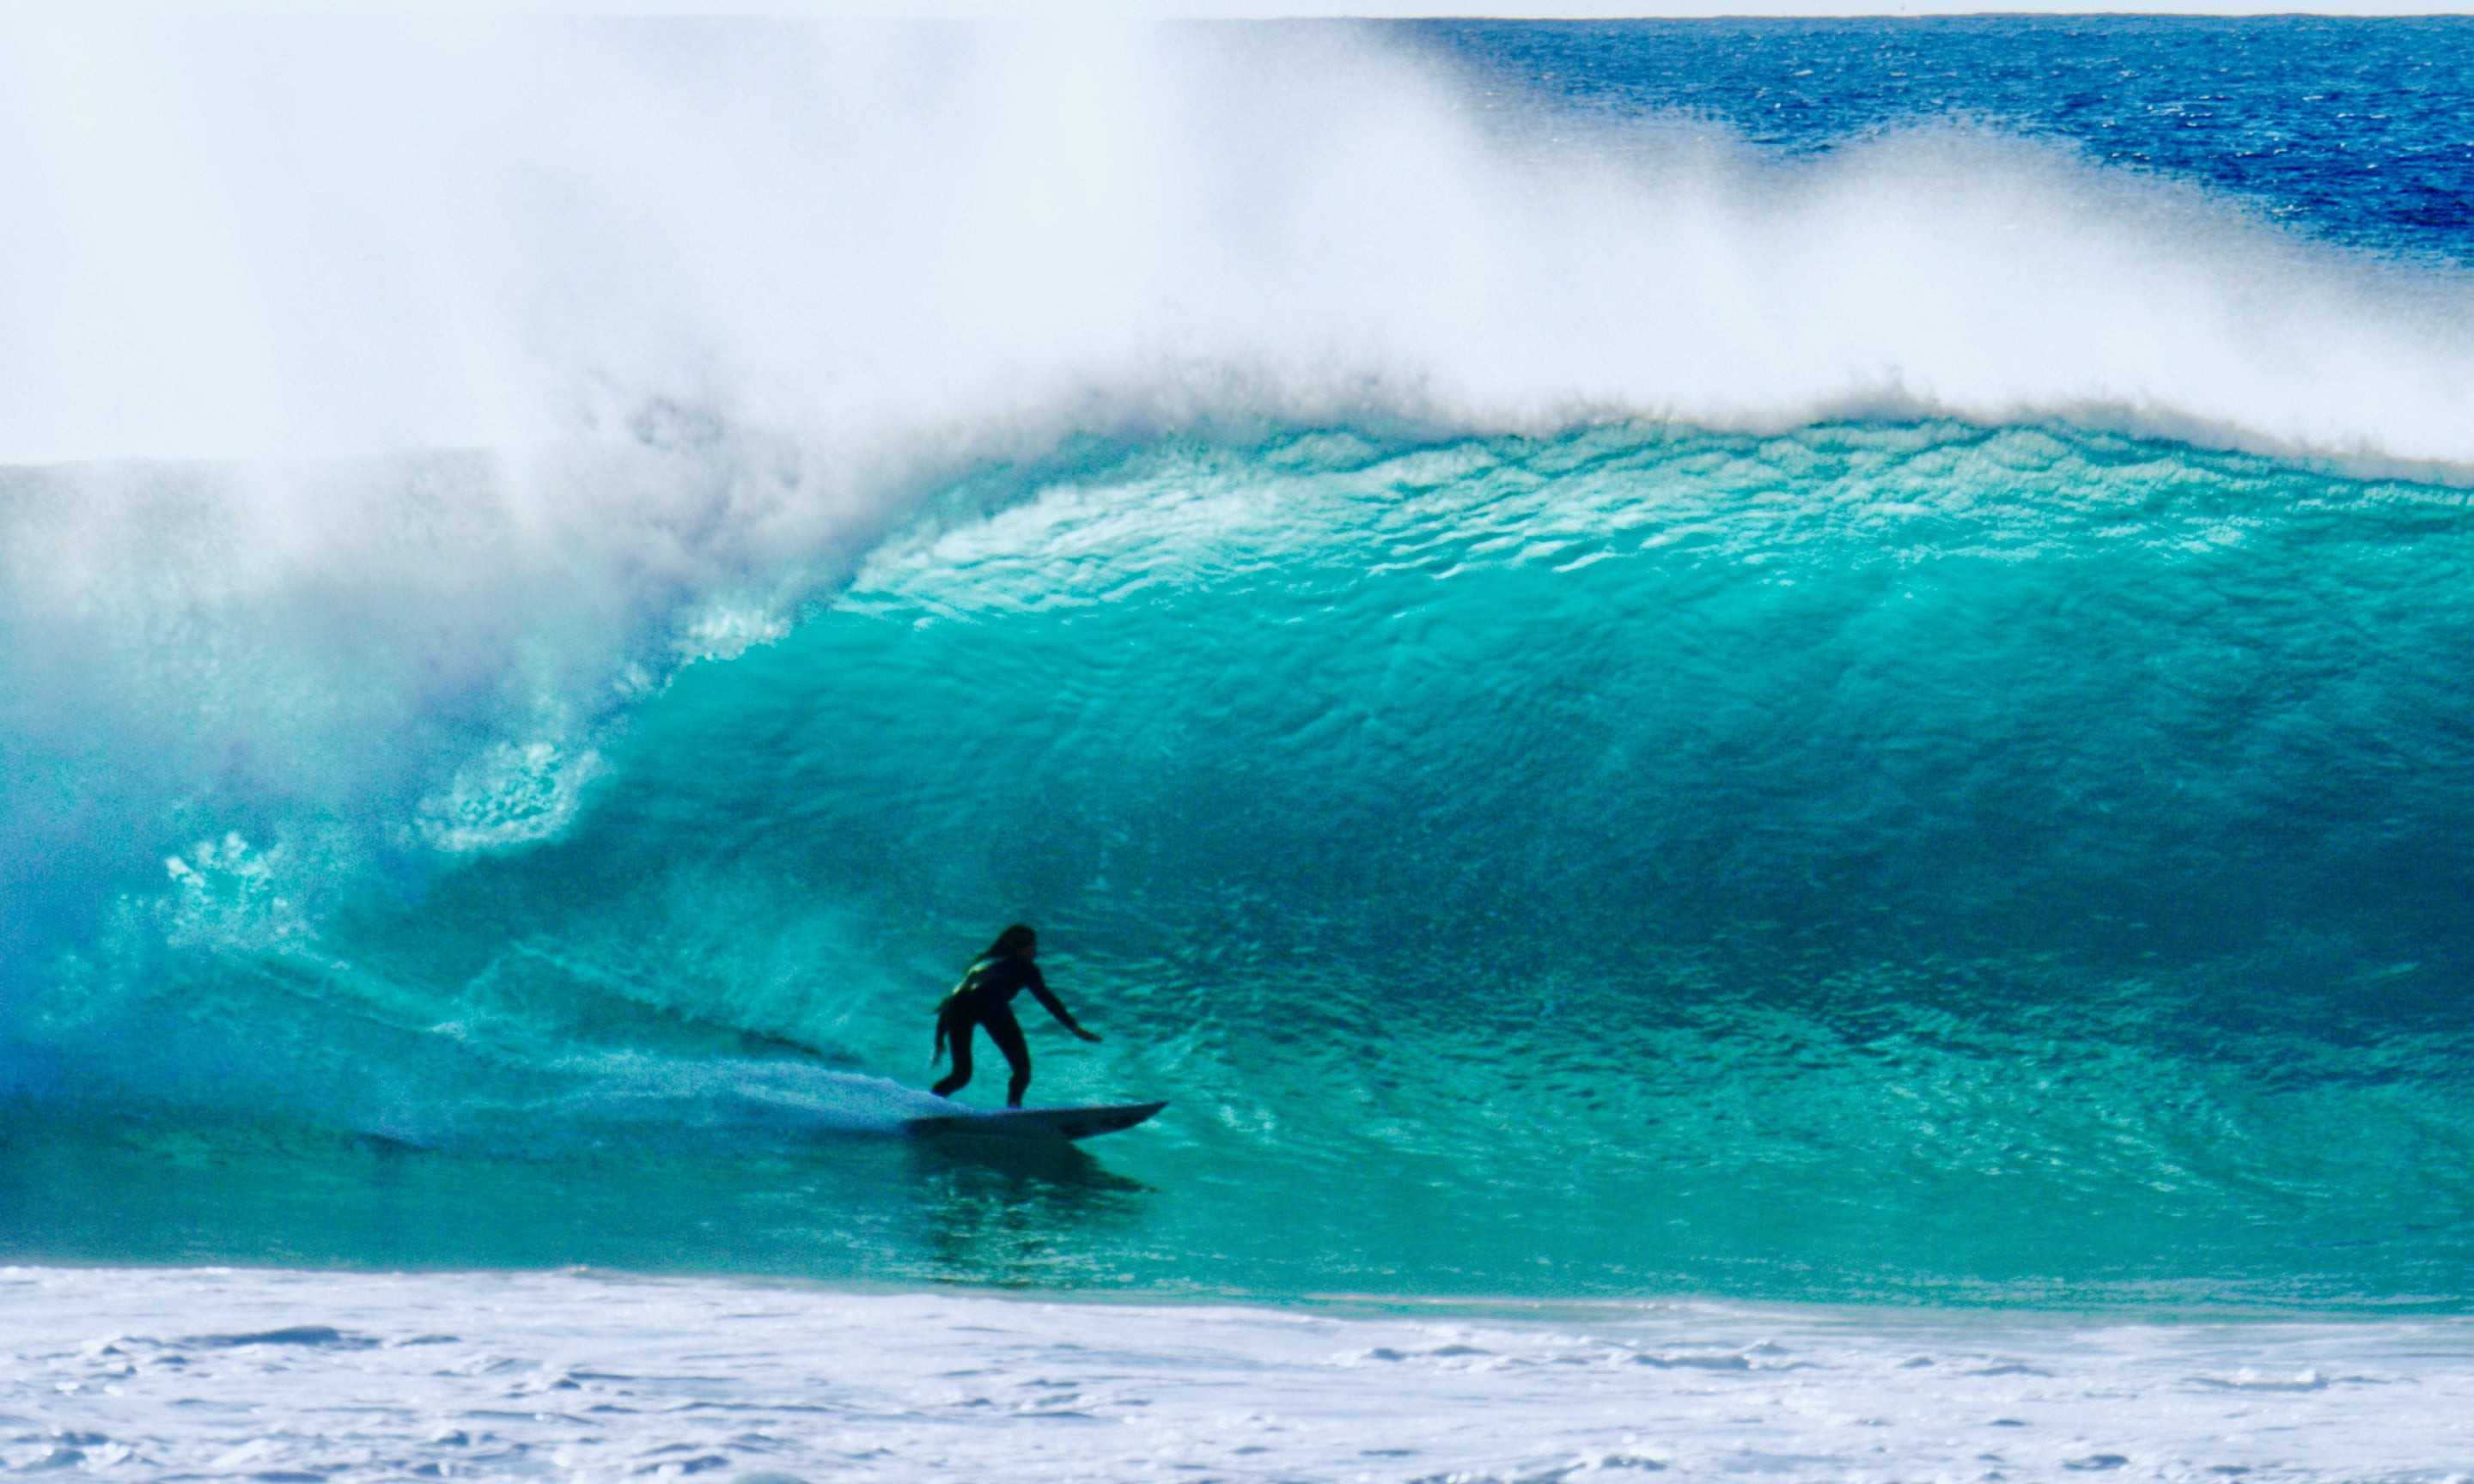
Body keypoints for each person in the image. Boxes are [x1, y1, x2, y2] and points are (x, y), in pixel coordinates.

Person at [930, 925, 1100, 1107]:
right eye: (1033, 946)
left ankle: (928, 1105)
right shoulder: (1024, 966)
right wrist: (1073, 1027)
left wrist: (940, 1038)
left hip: (958, 1008)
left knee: (961, 1075)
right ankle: (1013, 1107)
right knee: (1022, 1069)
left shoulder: (979, 963)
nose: (1035, 952)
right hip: (990, 1003)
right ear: (1022, 947)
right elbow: (1045, 996)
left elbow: (954, 999)